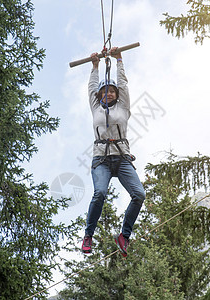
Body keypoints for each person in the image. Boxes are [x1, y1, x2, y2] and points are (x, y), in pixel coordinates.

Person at [81, 47, 146, 257]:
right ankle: (88, 236)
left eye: (111, 91)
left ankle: (124, 236)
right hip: (101, 159)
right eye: (104, 91)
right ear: (100, 95)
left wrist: (119, 59)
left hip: (122, 157)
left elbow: (124, 85)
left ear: (116, 95)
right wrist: (95, 66)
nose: (108, 94)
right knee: (99, 193)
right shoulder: (96, 108)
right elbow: (91, 87)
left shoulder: (123, 107)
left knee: (139, 194)